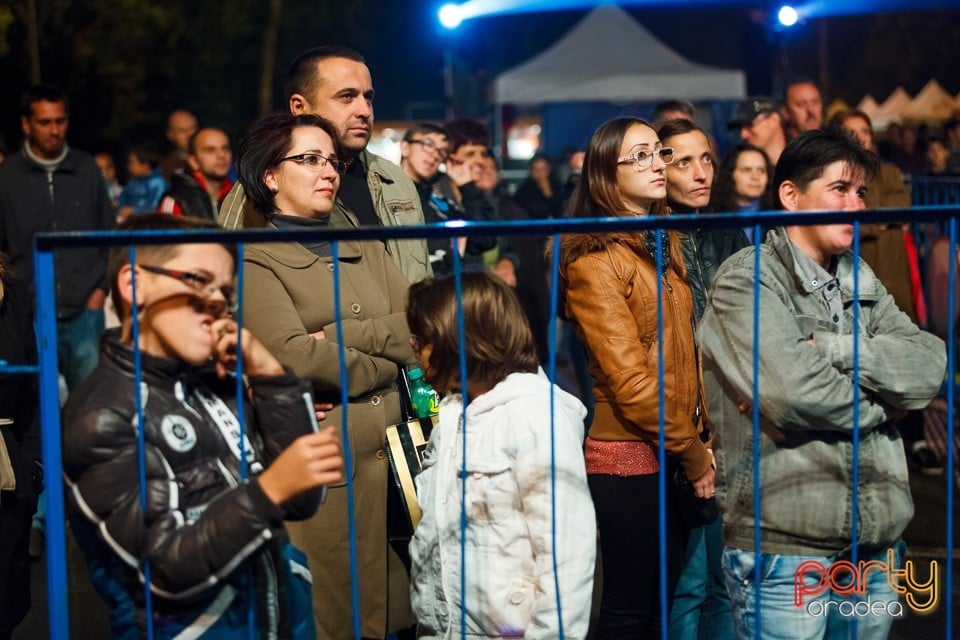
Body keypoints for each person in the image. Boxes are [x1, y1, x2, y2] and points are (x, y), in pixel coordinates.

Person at [697, 128, 946, 640]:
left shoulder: (861, 277)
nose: (855, 204)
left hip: (874, 544)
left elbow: (930, 363)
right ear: (790, 195)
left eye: (860, 193)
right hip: (786, 547)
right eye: (839, 189)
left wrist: (837, 351)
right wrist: (889, 405)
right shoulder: (747, 279)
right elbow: (795, 394)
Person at [62, 213, 343, 638]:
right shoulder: (104, 415)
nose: (215, 304)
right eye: (197, 280)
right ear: (134, 284)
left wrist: (270, 376)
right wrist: (268, 491)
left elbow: (303, 501)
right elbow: (163, 569)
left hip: (272, 618)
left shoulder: (213, 382)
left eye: (224, 292)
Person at [235, 112, 419, 639]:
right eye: (309, 160)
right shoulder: (254, 258)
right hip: (326, 472)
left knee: (404, 612)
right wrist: (389, 360)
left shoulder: (360, 240)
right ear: (270, 175)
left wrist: (339, 335)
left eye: (333, 161)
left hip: (402, 464)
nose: (329, 172)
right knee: (337, 615)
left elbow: (421, 324)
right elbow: (292, 358)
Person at [555, 117, 715, 637]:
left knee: (658, 609)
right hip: (630, 458)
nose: (656, 165)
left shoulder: (658, 244)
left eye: (658, 152)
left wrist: (698, 439)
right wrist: (693, 454)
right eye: (639, 156)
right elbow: (631, 384)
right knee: (629, 612)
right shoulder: (595, 258)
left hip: (672, 447)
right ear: (606, 173)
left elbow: (682, 353)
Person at [406, 272, 596, 639]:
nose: (413, 349)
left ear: (459, 342)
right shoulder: (452, 415)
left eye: (423, 339)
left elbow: (567, 558)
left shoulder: (536, 416)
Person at [219, 45, 430, 284]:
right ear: (299, 107)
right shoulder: (262, 186)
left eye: (368, 97)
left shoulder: (395, 179)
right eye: (346, 96)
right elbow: (231, 285)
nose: (364, 110)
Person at [658, 118, 743, 640]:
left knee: (725, 580)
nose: (699, 172)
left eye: (706, 159)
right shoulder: (649, 239)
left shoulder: (729, 231)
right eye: (682, 161)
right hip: (677, 426)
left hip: (731, 416)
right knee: (689, 581)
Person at [0, 83, 114, 390]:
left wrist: (99, 291)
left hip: (84, 312)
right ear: (26, 124)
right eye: (45, 122)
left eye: (60, 121)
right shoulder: (7, 176)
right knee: (38, 405)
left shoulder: (86, 169)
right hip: (29, 313)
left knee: (89, 407)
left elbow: (109, 233)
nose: (54, 130)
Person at [0, 255, 42, 640]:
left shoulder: (13, 293)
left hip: (9, 470)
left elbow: (31, 388)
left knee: (4, 609)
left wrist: (33, 465)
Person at [399, 122, 495, 276]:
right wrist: (453, 255)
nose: (435, 154)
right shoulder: (385, 193)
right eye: (427, 144)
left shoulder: (439, 202)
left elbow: (484, 239)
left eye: (442, 151)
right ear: (405, 148)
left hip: (445, 291)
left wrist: (466, 185)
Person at [158, 127, 234, 220]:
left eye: (225, 148)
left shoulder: (240, 196)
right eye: (210, 150)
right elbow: (166, 233)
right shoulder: (177, 199)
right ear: (193, 161)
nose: (221, 155)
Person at [728, 97, 787, 165]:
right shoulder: (735, 165)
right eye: (739, 128)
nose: (743, 135)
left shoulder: (799, 158)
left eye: (749, 125)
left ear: (774, 120)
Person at [117, 143, 167, 219]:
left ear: (145, 165)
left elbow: (155, 205)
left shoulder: (158, 183)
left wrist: (134, 210)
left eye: (132, 163)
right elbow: (123, 197)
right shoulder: (132, 182)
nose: (128, 167)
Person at [160, 109, 198, 180]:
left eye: (192, 128)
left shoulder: (214, 159)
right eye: (182, 130)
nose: (189, 134)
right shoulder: (165, 167)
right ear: (170, 135)